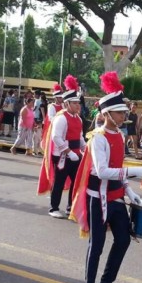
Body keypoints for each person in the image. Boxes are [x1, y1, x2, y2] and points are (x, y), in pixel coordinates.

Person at [69, 71, 142, 283]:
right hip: (99, 199)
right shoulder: (98, 137)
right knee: (96, 246)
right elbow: (103, 171)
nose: (124, 115)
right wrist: (135, 171)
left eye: (124, 112)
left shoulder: (118, 134)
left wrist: (129, 190)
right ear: (106, 114)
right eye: (120, 112)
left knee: (124, 240)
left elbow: (116, 168)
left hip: (116, 198)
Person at [38, 75, 86, 218]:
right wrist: (68, 151)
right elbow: (56, 137)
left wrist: (84, 148)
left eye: (79, 103)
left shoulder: (78, 118)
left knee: (76, 182)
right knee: (58, 182)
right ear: (67, 104)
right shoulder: (61, 118)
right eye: (75, 103)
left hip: (76, 153)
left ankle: (71, 206)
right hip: (62, 155)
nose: (79, 106)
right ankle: (53, 208)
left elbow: (80, 136)